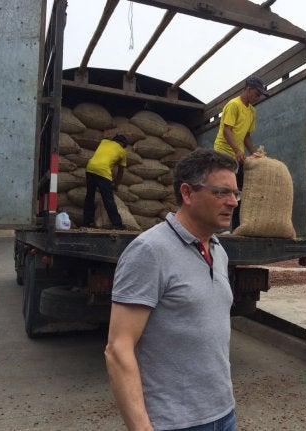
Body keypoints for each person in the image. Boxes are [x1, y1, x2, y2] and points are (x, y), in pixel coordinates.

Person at [105, 148, 239, 431]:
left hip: (224, 415)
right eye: (221, 193)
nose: (233, 202)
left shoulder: (219, 250)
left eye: (235, 194)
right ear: (188, 194)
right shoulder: (149, 251)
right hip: (174, 422)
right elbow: (118, 349)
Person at [213, 76, 269, 226]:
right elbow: (227, 130)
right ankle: (218, 225)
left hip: (237, 156)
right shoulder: (233, 105)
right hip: (223, 153)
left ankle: (236, 227)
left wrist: (254, 153)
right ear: (248, 89)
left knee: (238, 192)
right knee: (223, 188)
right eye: (257, 94)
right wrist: (237, 150)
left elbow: (246, 135)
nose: (258, 98)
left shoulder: (252, 111)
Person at [82, 134, 128, 229]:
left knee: (90, 197)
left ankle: (86, 222)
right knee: (108, 200)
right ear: (123, 144)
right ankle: (117, 224)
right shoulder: (122, 151)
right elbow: (121, 171)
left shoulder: (104, 141)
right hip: (103, 172)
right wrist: (116, 184)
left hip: (90, 168)